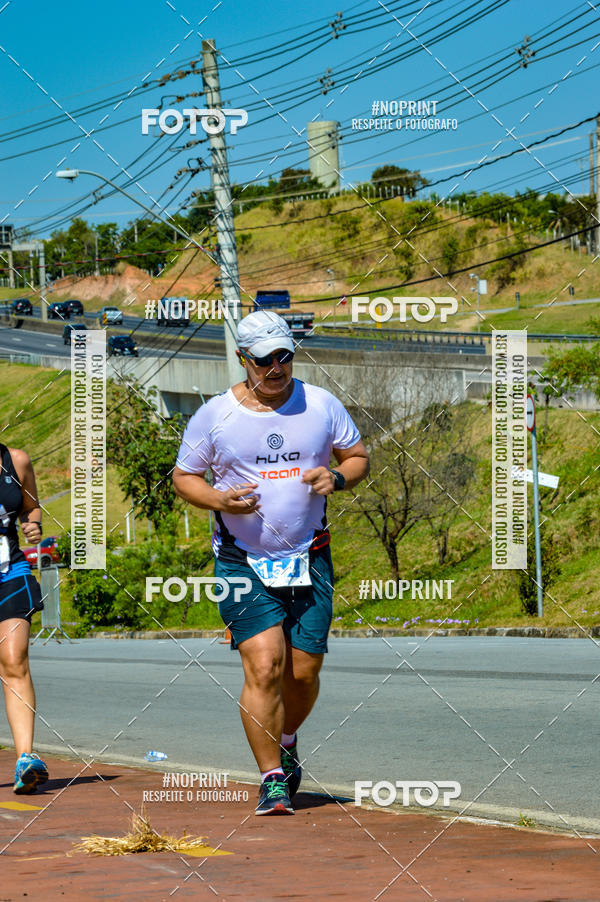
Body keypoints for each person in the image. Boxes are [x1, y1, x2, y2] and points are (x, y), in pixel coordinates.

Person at [173, 310, 369, 815]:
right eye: (265, 360)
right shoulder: (214, 415)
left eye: (285, 356)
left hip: (310, 555)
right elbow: (184, 477)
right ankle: (272, 779)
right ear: (244, 360)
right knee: (264, 665)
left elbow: (357, 456)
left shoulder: (322, 404)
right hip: (241, 561)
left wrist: (338, 479)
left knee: (302, 672)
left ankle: (285, 739)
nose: (277, 368)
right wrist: (219, 501)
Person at [0, 443, 48, 794]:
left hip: (10, 573)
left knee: (14, 659)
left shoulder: (16, 461)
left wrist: (33, 526)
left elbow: (31, 509)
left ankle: (26, 759)